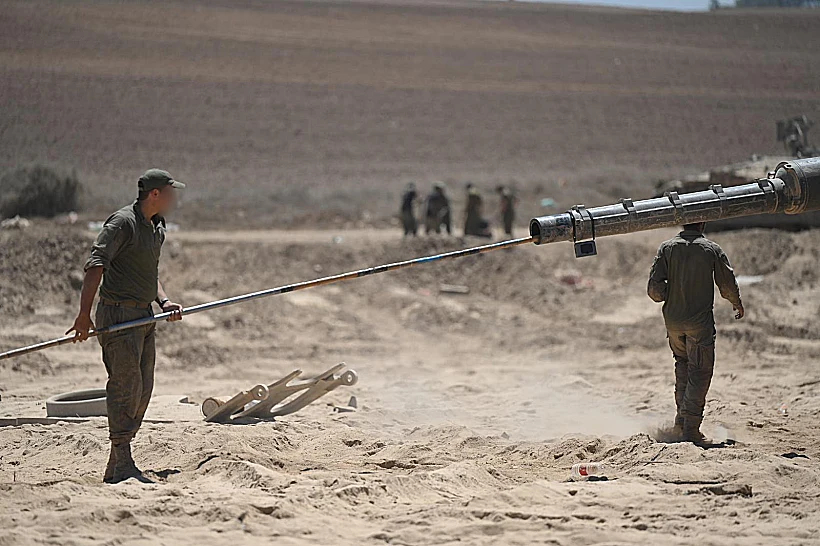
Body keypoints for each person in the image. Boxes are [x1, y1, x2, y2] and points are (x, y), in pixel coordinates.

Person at [66, 169, 185, 483]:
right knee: (125, 386)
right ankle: (122, 463)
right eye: (171, 193)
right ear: (155, 194)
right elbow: (95, 265)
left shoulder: (156, 228)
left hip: (144, 316)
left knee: (143, 389)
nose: (175, 200)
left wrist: (164, 301)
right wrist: (83, 315)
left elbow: (148, 272)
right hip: (118, 317)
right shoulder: (123, 223)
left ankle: (117, 461)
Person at [647, 222, 744, 447]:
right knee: (699, 372)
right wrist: (736, 303)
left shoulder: (667, 248)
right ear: (703, 223)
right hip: (698, 323)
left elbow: (654, 291)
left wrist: (671, 295)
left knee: (683, 365)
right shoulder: (711, 249)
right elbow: (727, 284)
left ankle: (680, 423)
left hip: (672, 322)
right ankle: (690, 429)